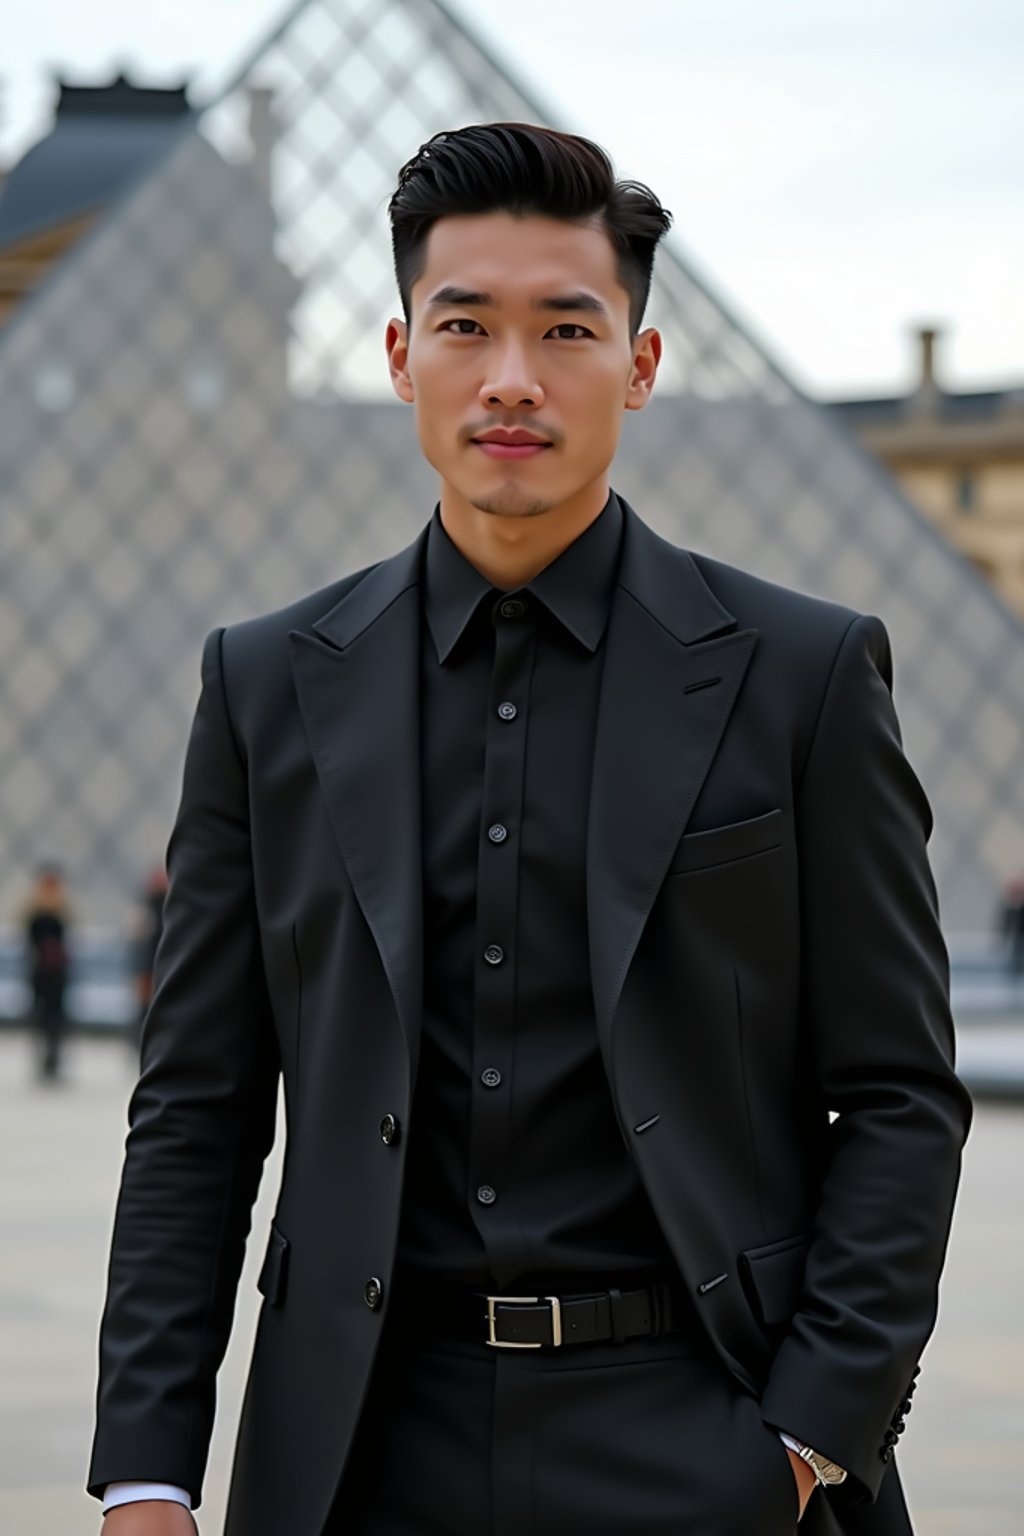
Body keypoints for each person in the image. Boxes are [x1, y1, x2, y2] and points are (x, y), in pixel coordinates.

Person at [89, 124, 971, 1536]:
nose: (512, 377)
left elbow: (901, 1094)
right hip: (359, 1447)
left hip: (705, 1438)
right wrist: (147, 1472)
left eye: (567, 327)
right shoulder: (262, 686)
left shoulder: (802, 676)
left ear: (640, 363)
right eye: (465, 325)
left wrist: (808, 1437)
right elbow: (195, 1108)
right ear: (398, 356)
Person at [23, 861, 72, 1082]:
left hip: (53, 972)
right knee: (45, 1018)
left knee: (54, 1018)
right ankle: (46, 1061)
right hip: (44, 972)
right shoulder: (39, 909)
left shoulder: (57, 908)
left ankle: (52, 1060)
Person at [129, 866, 169, 1054]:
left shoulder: (169, 904)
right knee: (144, 1007)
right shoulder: (146, 906)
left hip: (163, 962)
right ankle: (140, 1042)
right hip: (147, 965)